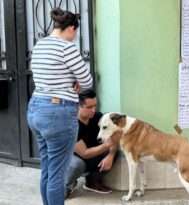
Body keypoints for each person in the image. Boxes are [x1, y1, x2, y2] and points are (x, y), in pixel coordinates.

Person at [27, 7, 93, 205]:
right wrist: (75, 82)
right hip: (58, 113)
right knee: (58, 174)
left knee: (47, 168)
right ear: (71, 28)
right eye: (76, 32)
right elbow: (87, 81)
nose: (75, 37)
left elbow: (43, 76)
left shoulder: (40, 45)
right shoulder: (66, 48)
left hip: (36, 108)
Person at [65, 89, 120, 199]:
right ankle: (66, 185)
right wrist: (107, 145)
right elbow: (84, 153)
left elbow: (114, 134)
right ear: (78, 107)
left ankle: (92, 181)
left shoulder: (98, 117)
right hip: (71, 159)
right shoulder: (71, 125)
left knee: (114, 152)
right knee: (77, 165)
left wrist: (110, 155)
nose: (93, 110)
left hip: (91, 155)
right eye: (89, 107)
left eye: (94, 106)